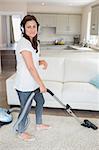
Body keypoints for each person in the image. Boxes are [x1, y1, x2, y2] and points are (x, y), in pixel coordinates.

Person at [14, 15, 50, 141]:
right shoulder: (23, 43)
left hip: (33, 82)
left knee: (40, 101)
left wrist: (40, 61)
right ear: (23, 28)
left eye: (34, 26)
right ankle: (20, 131)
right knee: (26, 109)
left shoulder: (35, 42)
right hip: (25, 84)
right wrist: (41, 84)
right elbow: (30, 67)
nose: (32, 29)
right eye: (28, 26)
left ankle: (39, 124)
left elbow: (32, 61)